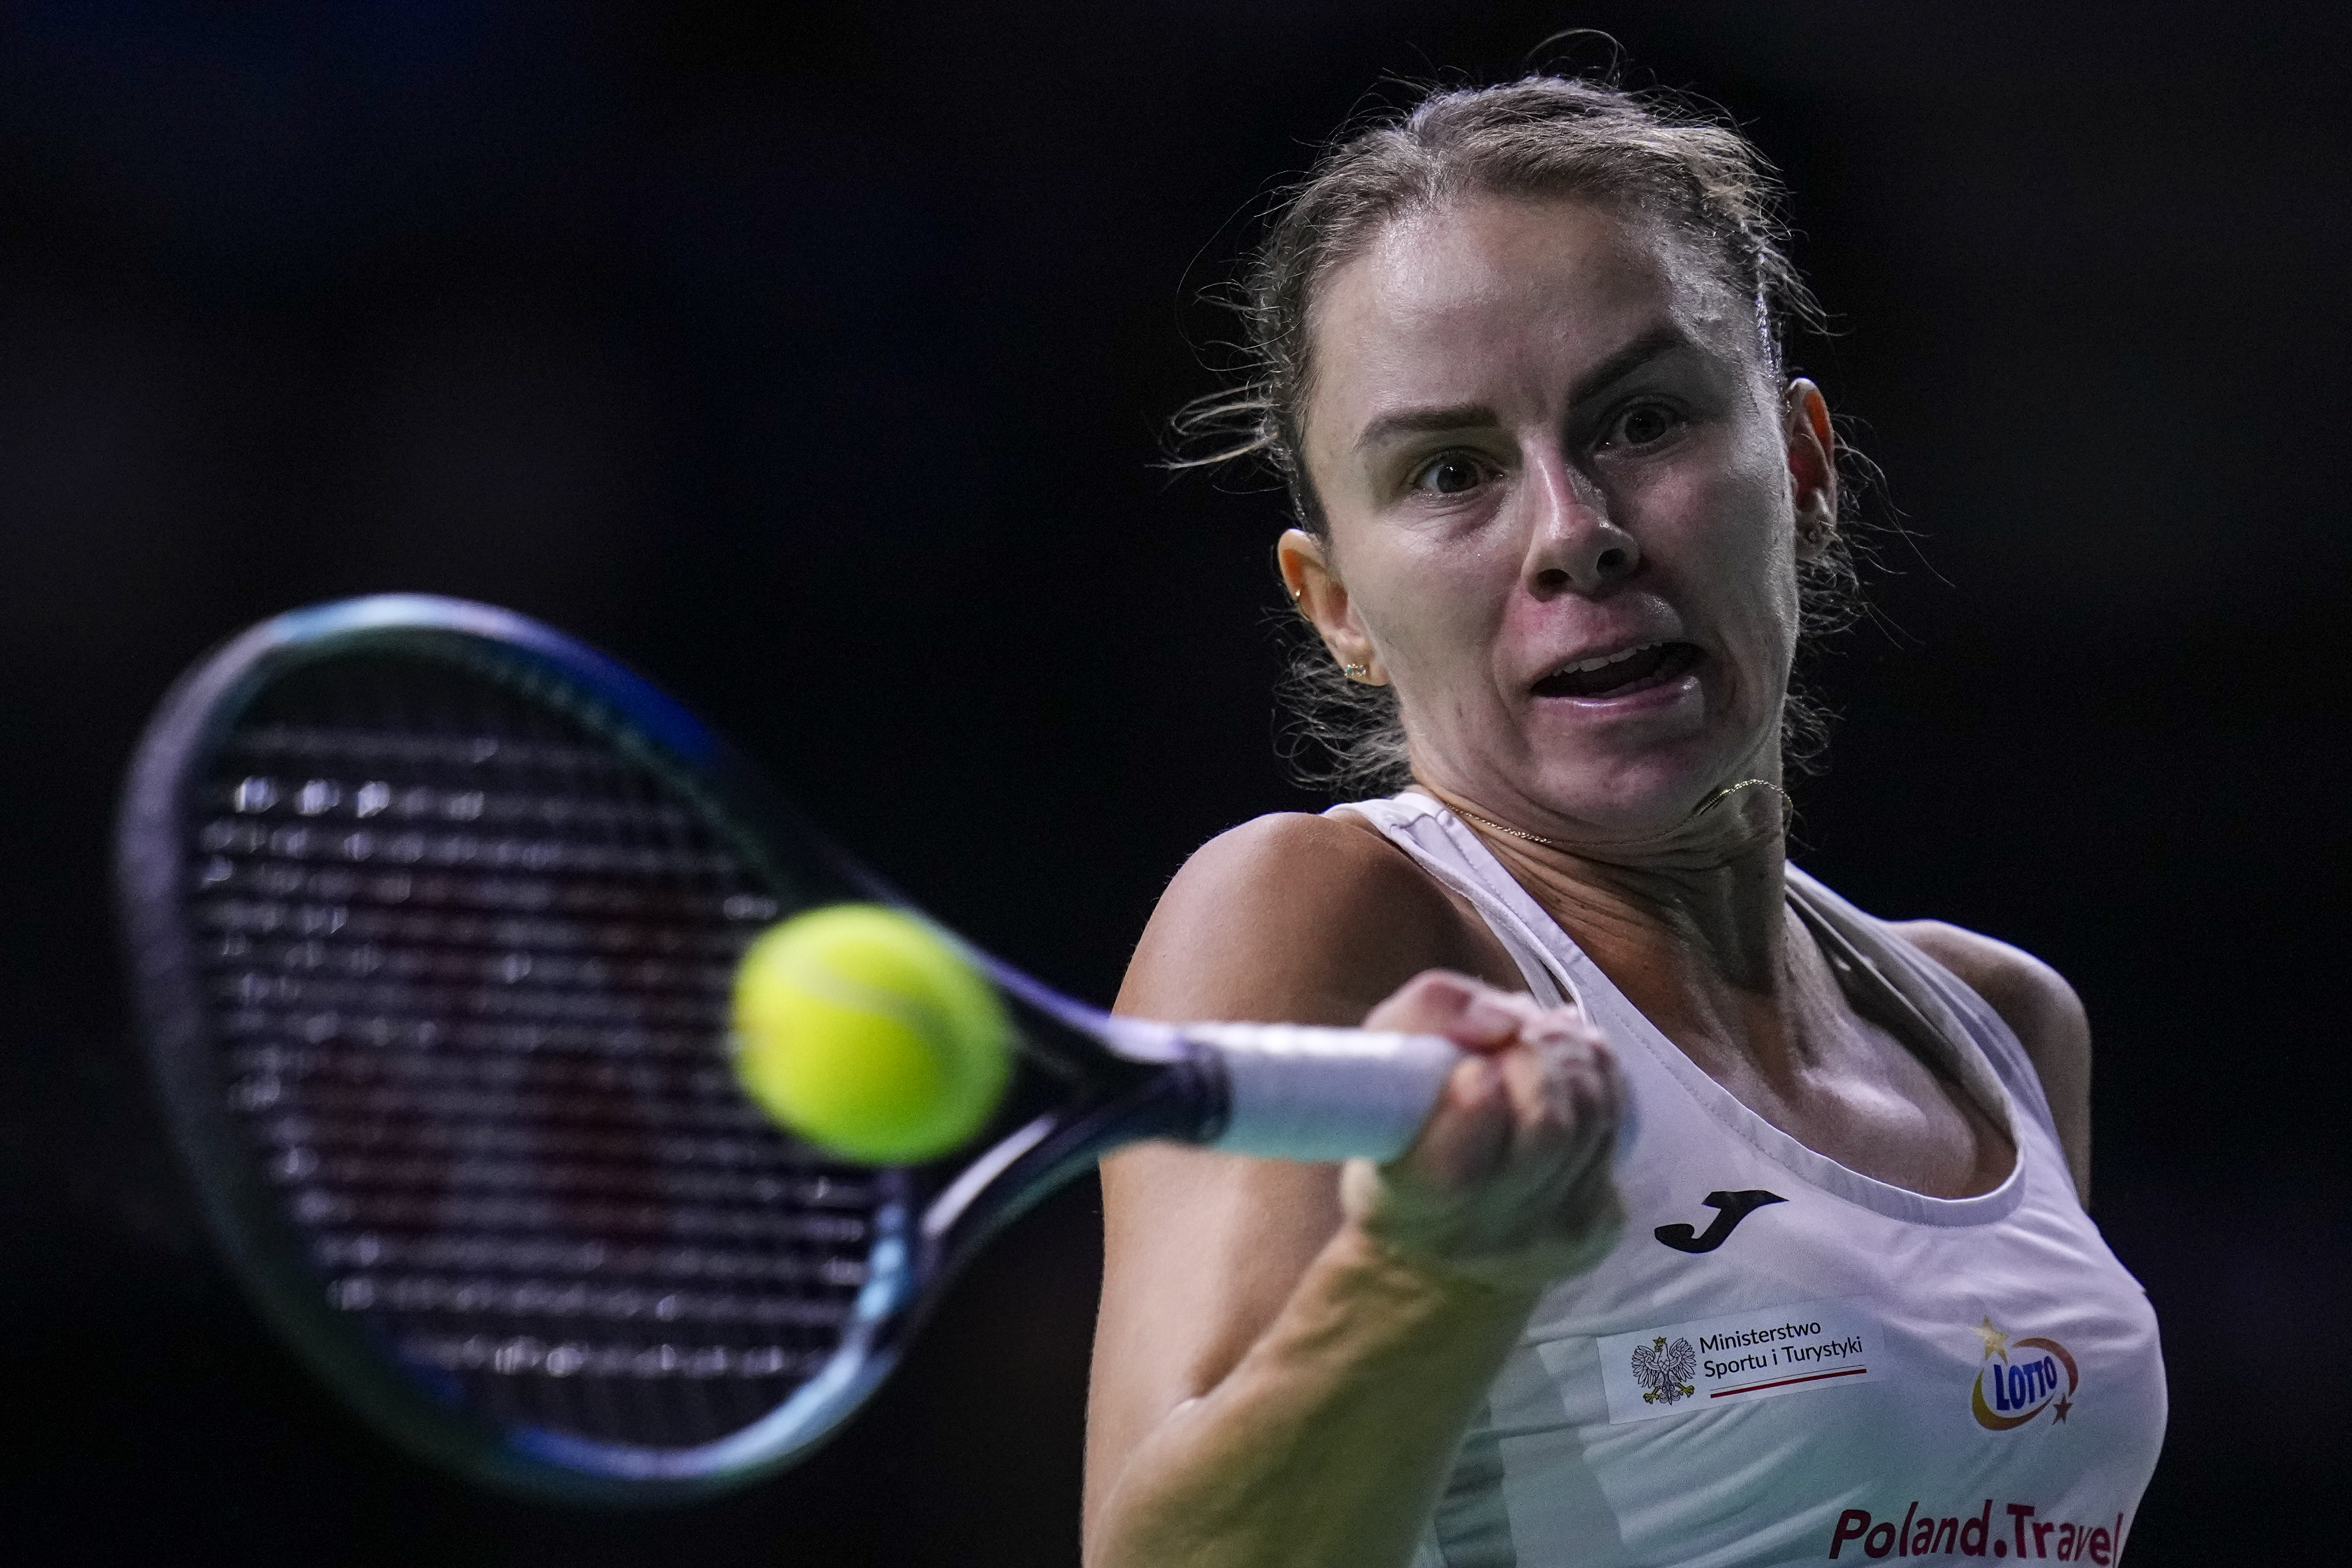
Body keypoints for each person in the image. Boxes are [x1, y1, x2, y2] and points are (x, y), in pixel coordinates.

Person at [1081, 75, 2166, 1568]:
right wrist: (1430, 1279)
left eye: (1643, 418)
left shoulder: (1998, 1028)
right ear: (1338, 610)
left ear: (1802, 467)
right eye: (1450, 473)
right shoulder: (1321, 917)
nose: (1574, 528)